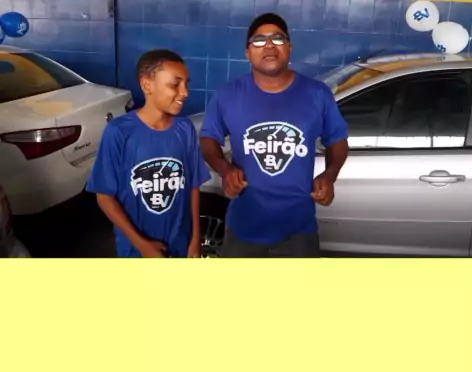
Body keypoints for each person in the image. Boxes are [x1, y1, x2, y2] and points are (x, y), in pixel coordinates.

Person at [200, 13, 349, 256]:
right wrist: (225, 170)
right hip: (243, 227)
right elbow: (208, 140)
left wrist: (330, 174)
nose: (269, 45)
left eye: (278, 39)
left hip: (299, 229)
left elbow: (338, 141)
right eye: (259, 40)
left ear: (289, 48)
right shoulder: (227, 95)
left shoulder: (317, 94)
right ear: (247, 52)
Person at [87, 49, 211, 258]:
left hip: (181, 246)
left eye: (186, 84)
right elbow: (105, 197)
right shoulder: (119, 132)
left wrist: (195, 238)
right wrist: (142, 244)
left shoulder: (185, 129)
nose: (185, 92)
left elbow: (193, 186)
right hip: (136, 251)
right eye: (175, 85)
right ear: (147, 86)